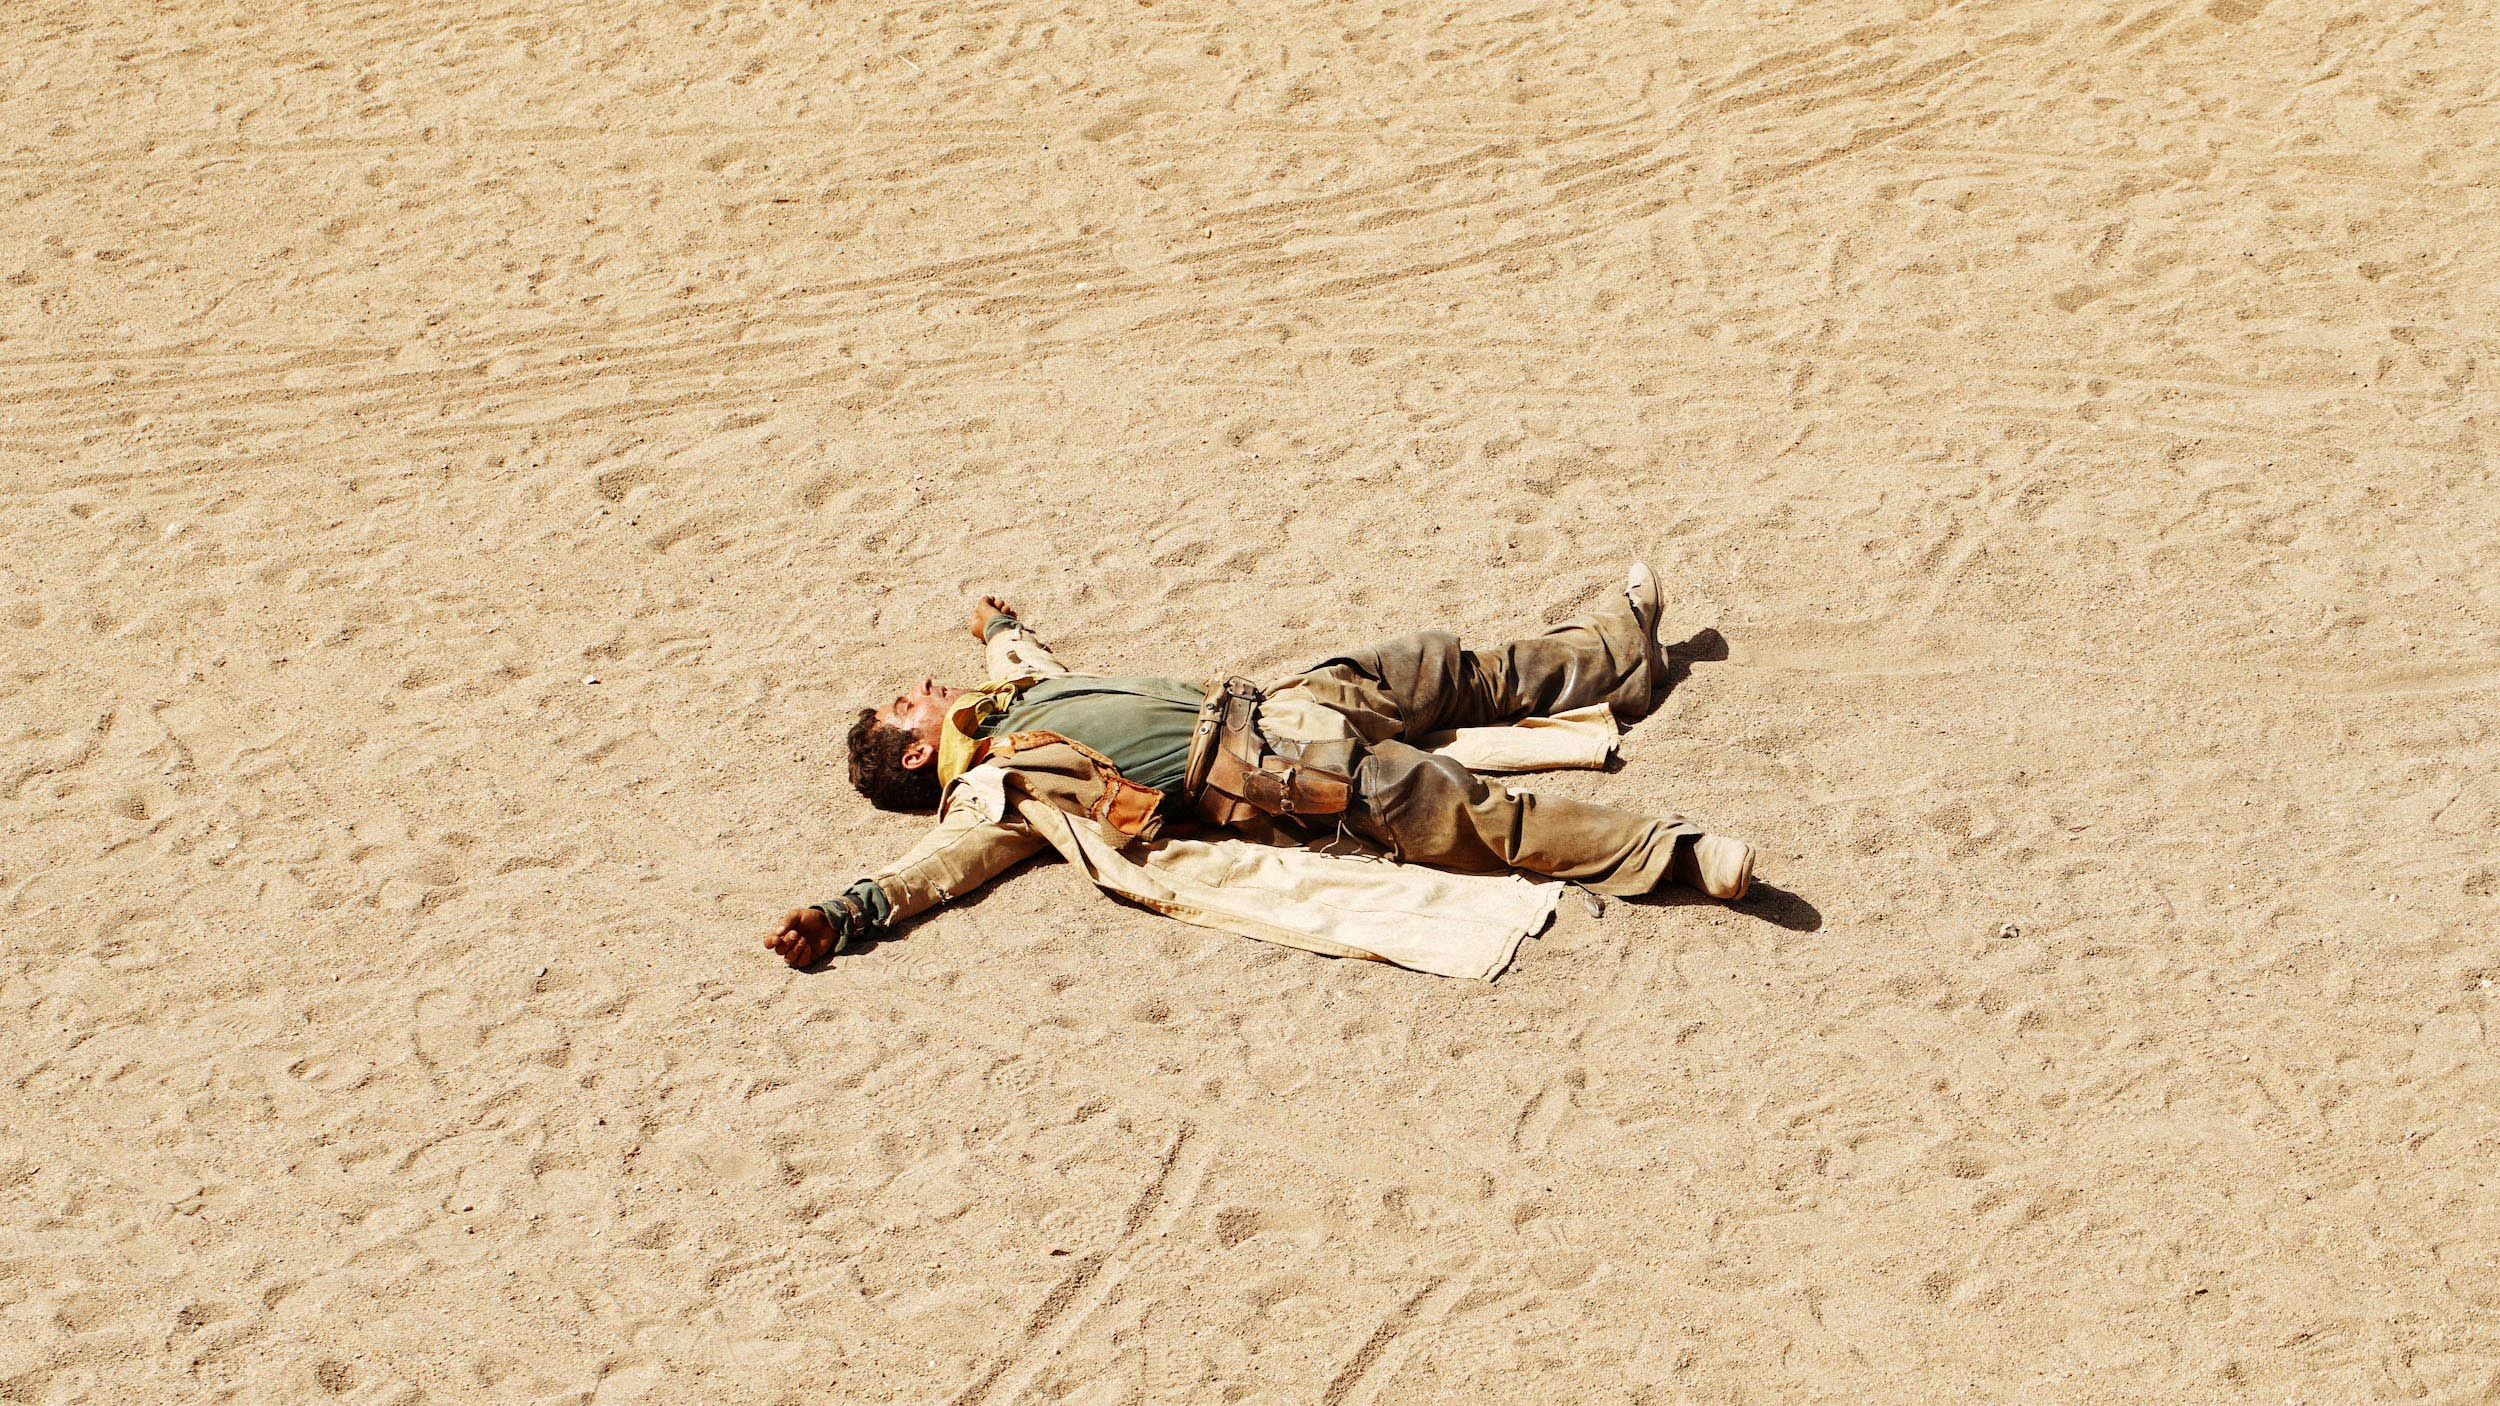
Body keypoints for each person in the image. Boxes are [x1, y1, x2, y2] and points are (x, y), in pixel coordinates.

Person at [765, 563, 1757, 969]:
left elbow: (1015, 659)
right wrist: (846, 913)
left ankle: (1618, 647)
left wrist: (999, 624)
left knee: (1445, 667)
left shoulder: (1009, 704)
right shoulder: (991, 790)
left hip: (1288, 700)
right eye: (908, 703)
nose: (924, 687)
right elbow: (936, 870)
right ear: (911, 750)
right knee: (1479, 814)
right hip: (1281, 778)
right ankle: (1678, 857)